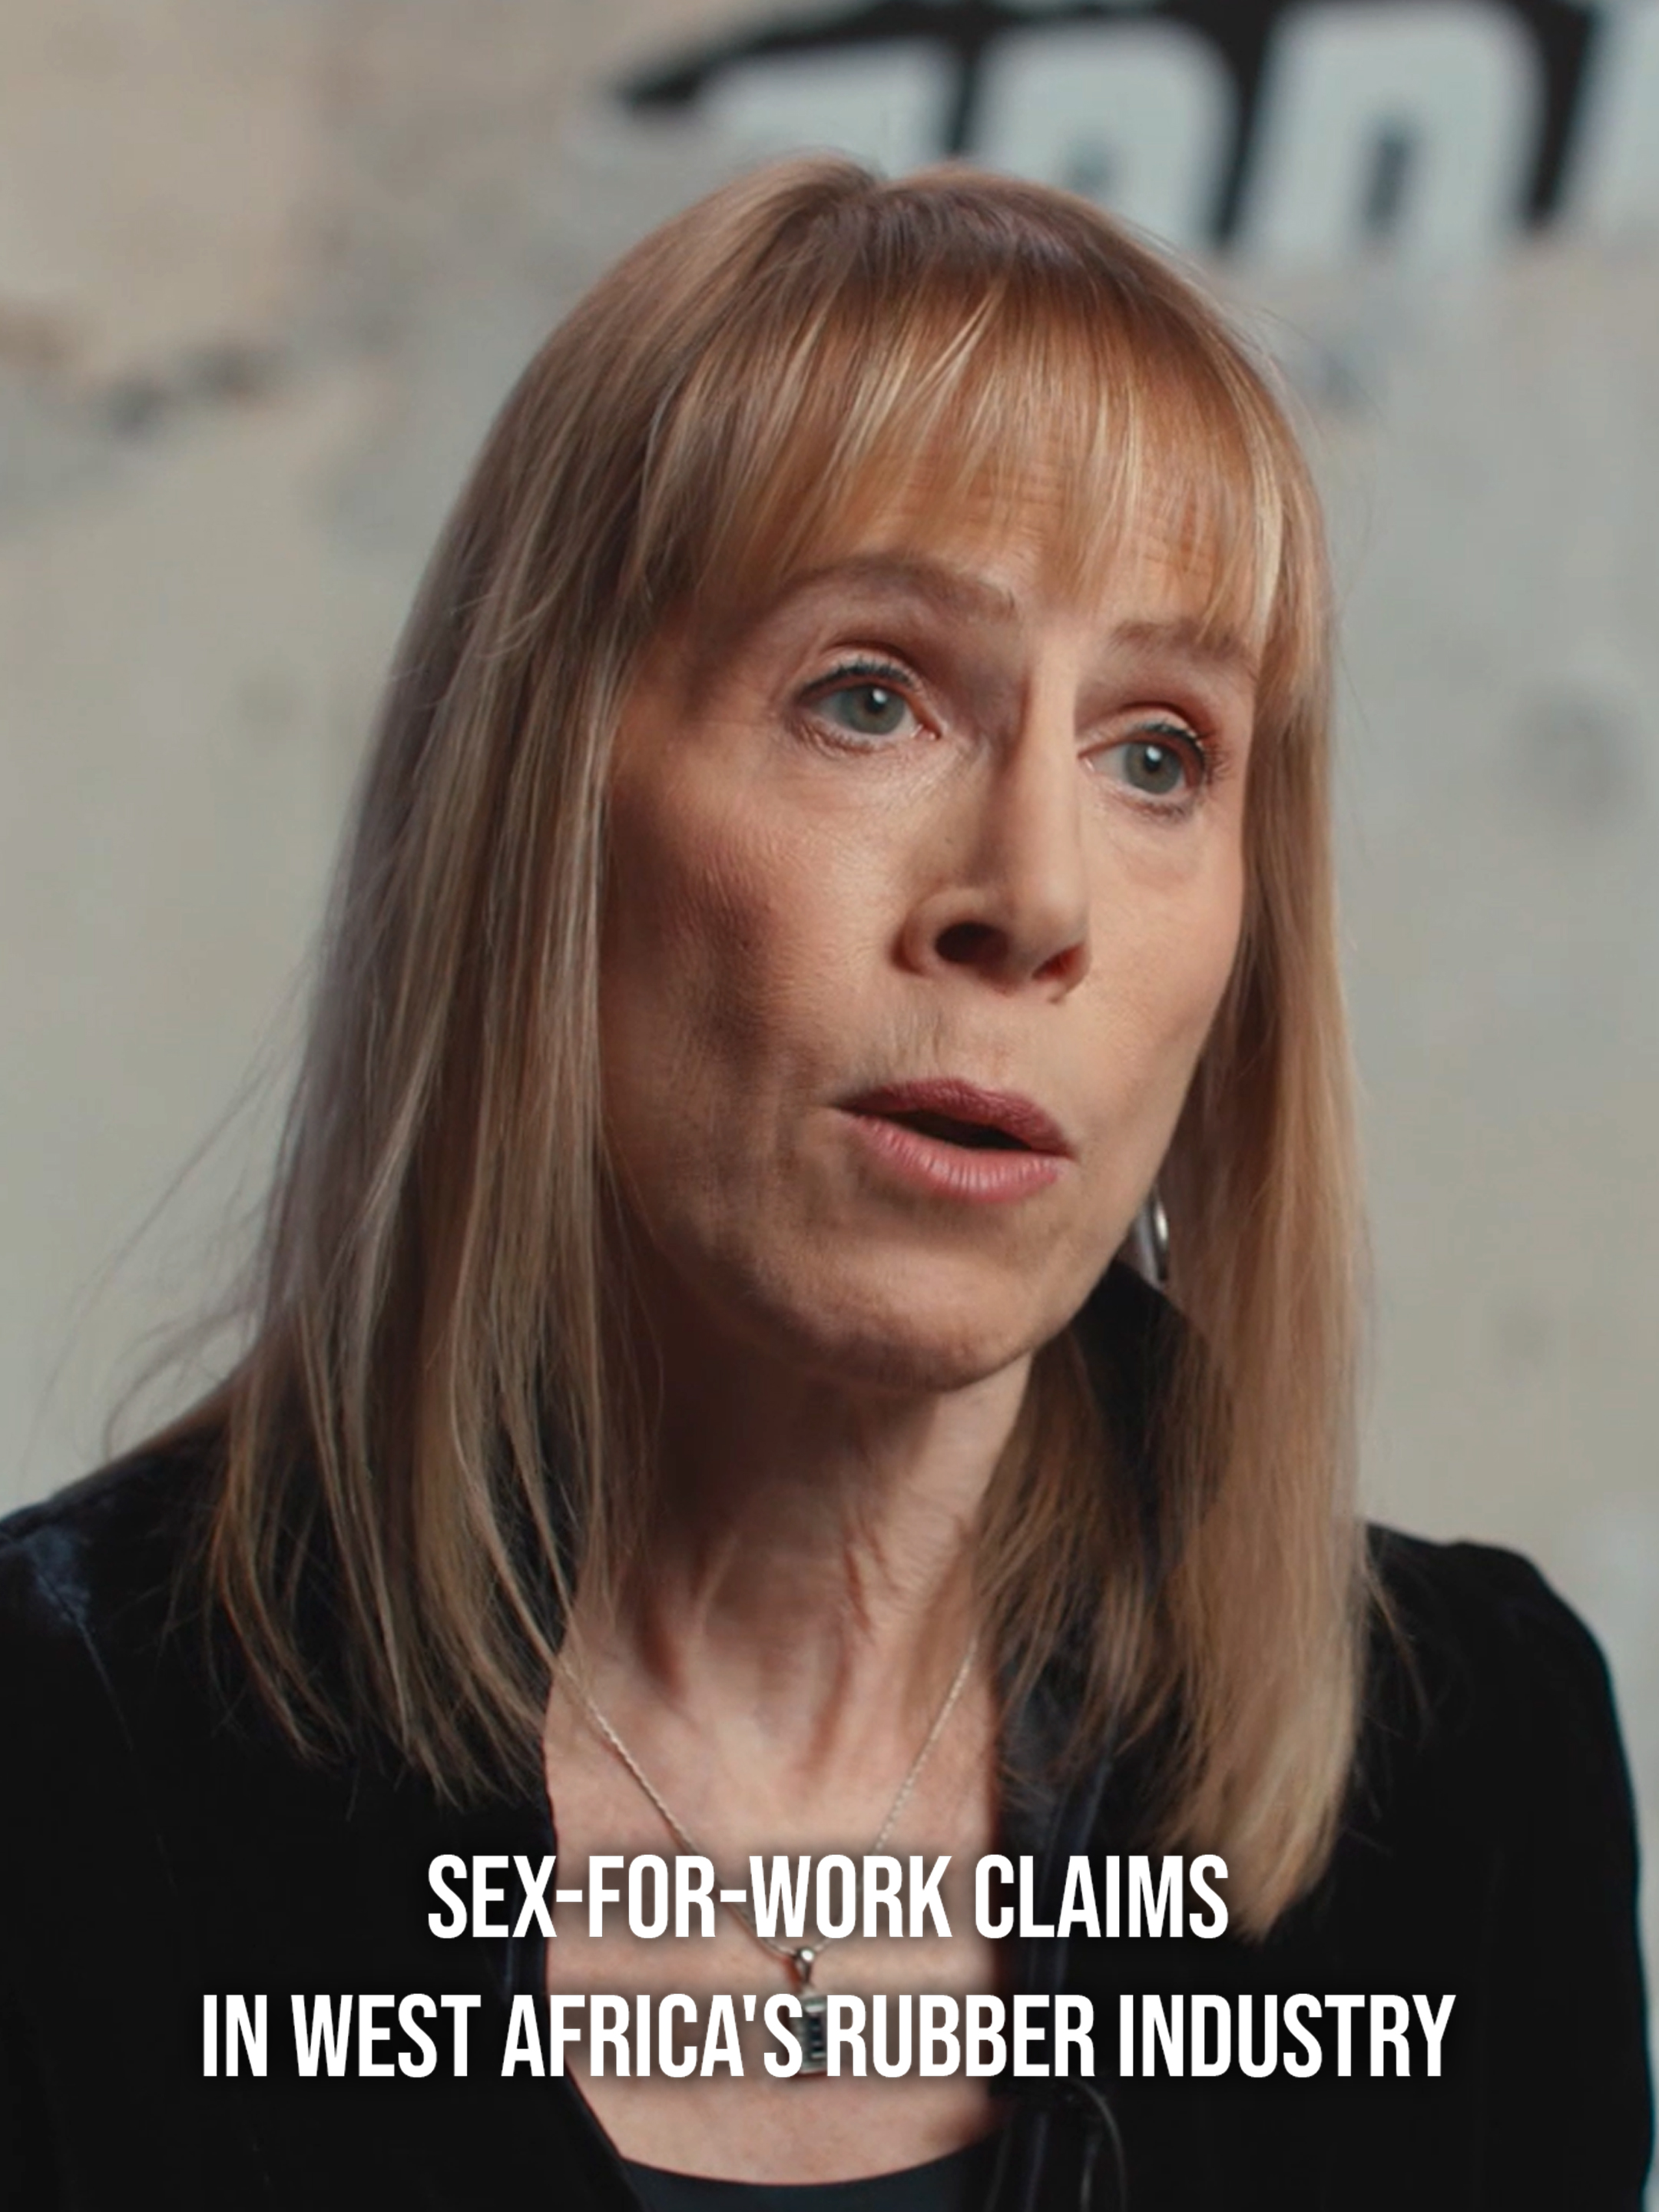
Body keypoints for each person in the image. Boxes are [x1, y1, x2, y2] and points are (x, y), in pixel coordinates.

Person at [0, 157, 1649, 2212]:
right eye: (869, 697)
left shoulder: (1465, 1779)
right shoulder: (57, 1773)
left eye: (1158, 754)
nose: (1035, 897)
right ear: (542, 811)